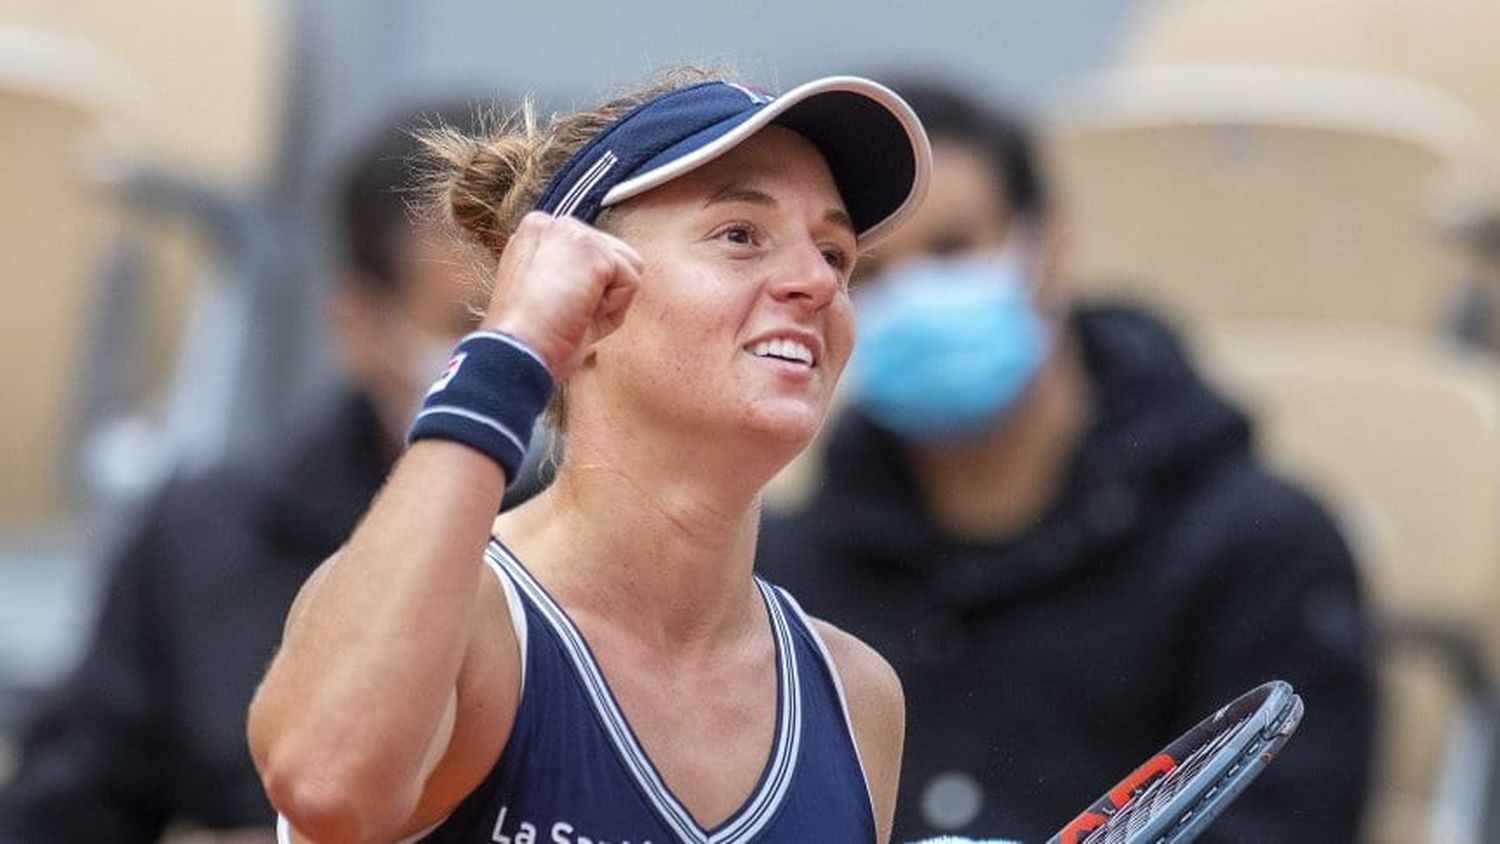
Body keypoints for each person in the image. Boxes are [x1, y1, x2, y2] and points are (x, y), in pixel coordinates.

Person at [245, 70, 932, 844]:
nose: (817, 282)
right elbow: (323, 783)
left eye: (837, 254)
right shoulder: (471, 622)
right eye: (740, 234)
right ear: (586, 298)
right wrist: (508, 354)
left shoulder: (856, 695)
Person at [757, 79, 1376, 843]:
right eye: (868, 272)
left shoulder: (1260, 548)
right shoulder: (777, 571)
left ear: (1047, 249)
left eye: (953, 249)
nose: (916, 294)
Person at [0, 101, 493, 841]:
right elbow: (61, 812)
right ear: (358, 324)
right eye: (474, 325)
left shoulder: (649, 548)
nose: (526, 358)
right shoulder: (203, 542)